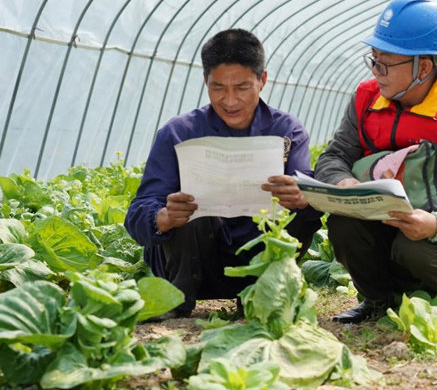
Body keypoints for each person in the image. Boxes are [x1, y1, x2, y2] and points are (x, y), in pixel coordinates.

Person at [314, 0, 437, 323]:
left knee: (414, 246)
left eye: (386, 63)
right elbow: (334, 156)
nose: (377, 72)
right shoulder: (366, 98)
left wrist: (436, 224)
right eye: (373, 60)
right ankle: (379, 298)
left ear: (425, 67)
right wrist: (343, 183)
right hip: (387, 218)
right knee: (344, 224)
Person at [124, 29, 320, 319]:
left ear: (262, 80)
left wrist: (301, 198)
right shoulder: (178, 133)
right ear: (205, 81)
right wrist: (163, 217)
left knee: (305, 209)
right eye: (218, 88)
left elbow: (313, 205)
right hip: (193, 266)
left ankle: (262, 295)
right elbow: (138, 213)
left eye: (242, 87)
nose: (230, 101)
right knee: (190, 211)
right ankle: (177, 300)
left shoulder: (286, 131)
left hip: (258, 261)